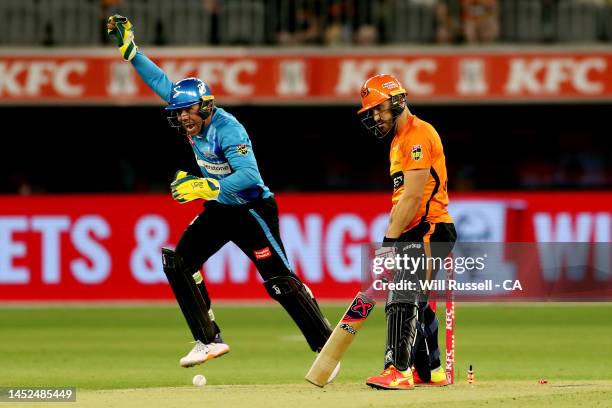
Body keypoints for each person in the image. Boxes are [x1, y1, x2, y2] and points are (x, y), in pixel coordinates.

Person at [106, 15, 335, 374]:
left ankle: (325, 347)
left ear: (206, 107)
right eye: (178, 114)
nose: (183, 120)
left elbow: (249, 177)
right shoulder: (189, 113)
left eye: (188, 113)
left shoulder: (228, 129)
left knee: (279, 282)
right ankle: (209, 339)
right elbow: (160, 82)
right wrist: (130, 51)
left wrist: (205, 185)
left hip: (252, 209)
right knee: (179, 264)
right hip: (220, 209)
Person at [357, 74, 457, 389]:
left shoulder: (417, 135)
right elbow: (402, 198)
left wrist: (389, 240)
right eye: (371, 111)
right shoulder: (399, 142)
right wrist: (395, 235)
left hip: (429, 229)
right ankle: (430, 370)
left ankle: (397, 370)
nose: (375, 116)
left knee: (402, 293)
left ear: (398, 100)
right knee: (419, 298)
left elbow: (414, 197)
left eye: (378, 108)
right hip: (415, 230)